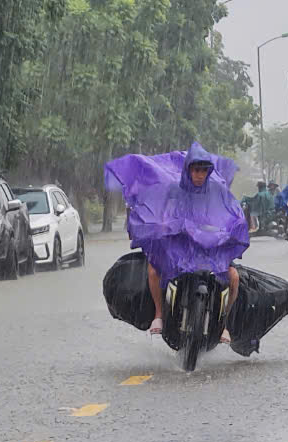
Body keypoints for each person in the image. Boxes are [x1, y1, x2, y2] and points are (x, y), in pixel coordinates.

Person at [105, 142, 249, 344]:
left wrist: (234, 228)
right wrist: (166, 225)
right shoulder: (174, 190)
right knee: (154, 269)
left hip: (209, 248)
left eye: (204, 170)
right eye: (196, 169)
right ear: (188, 170)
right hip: (179, 245)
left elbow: (231, 215)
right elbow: (163, 213)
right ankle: (158, 314)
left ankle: (225, 324)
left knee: (233, 277)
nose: (200, 174)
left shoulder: (218, 191)